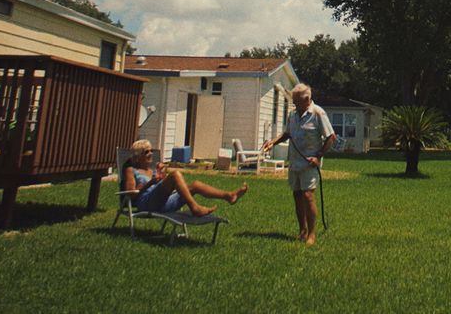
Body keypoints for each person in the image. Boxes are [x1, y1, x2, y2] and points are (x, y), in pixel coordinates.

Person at [262, 84, 335, 245]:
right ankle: (301, 231)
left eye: (296, 101)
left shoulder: (318, 113)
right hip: (294, 162)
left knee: (308, 196)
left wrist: (318, 156)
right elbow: (288, 133)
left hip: (309, 164)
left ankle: (311, 234)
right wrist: (273, 142)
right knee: (297, 195)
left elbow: (331, 137)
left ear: (307, 99)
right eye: (293, 101)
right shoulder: (293, 115)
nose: (294, 104)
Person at [122, 140, 249, 217]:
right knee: (176, 174)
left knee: (195, 184)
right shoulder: (131, 170)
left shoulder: (152, 170)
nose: (150, 154)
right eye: (146, 152)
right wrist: (151, 182)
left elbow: (164, 189)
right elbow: (131, 194)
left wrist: (161, 177)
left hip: (163, 202)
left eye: (151, 151)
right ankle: (195, 208)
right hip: (147, 204)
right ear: (138, 155)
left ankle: (229, 196)